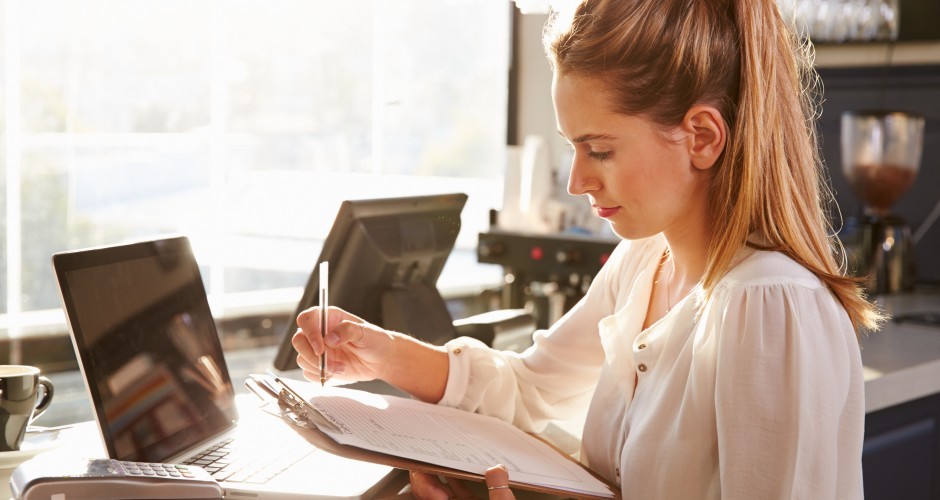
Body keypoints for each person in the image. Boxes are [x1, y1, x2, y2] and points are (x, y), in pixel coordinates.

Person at [292, 0, 883, 498]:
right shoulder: (645, 261)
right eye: (573, 148)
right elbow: (528, 391)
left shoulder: (769, 307)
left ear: (702, 137)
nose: (578, 181)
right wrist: (383, 354)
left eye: (599, 150)